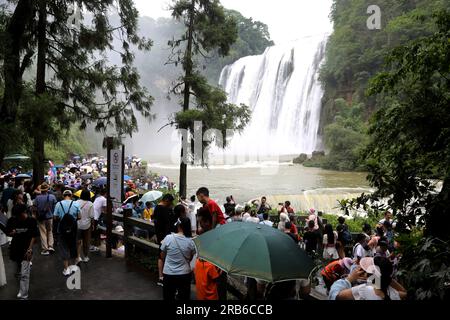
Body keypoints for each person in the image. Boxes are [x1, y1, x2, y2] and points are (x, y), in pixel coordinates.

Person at [329, 256, 407, 300]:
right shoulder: (393, 294)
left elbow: (335, 296)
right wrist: (386, 278)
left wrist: (349, 278)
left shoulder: (364, 290)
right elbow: (404, 292)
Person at [6, 204, 39, 299]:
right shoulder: (12, 220)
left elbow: (33, 235)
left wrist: (30, 248)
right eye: (19, 215)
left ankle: (24, 293)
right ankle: (21, 290)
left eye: (23, 213)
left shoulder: (31, 220)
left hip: (26, 248)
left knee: (25, 272)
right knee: (18, 272)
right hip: (15, 248)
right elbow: (8, 232)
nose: (23, 216)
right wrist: (12, 233)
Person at [160, 217, 195, 300]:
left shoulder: (168, 238)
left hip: (169, 273)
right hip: (184, 273)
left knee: (168, 296)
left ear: (178, 226)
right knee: (184, 297)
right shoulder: (190, 241)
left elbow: (162, 255)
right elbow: (190, 258)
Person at [53, 190, 81, 276]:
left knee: (63, 247)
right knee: (73, 246)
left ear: (63, 195)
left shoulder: (58, 204)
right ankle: (73, 267)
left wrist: (62, 219)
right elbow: (79, 217)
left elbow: (54, 217)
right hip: (73, 229)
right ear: (71, 195)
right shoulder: (76, 204)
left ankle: (66, 269)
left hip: (62, 229)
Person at [153, 193, 175, 286]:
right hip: (166, 236)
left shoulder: (156, 208)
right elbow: (170, 222)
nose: (170, 204)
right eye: (170, 202)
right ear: (166, 200)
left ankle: (161, 277)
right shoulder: (165, 209)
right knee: (167, 256)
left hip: (159, 234)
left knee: (160, 256)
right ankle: (166, 277)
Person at [33, 183, 57, 256]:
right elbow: (55, 207)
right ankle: (50, 246)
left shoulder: (37, 198)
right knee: (50, 231)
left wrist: (35, 214)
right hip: (50, 217)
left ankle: (45, 249)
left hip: (41, 218)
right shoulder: (52, 197)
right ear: (47, 189)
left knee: (43, 232)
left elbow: (34, 208)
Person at [76, 189, 94, 263]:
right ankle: (85, 257)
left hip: (77, 224)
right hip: (87, 225)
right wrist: (93, 225)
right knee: (86, 241)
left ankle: (78, 257)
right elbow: (92, 216)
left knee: (78, 241)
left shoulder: (76, 202)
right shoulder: (90, 204)